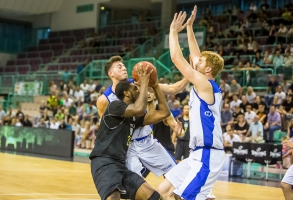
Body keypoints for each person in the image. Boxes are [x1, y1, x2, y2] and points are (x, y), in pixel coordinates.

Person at [158, 8, 225, 200]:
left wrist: (173, 32)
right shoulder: (202, 81)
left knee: (184, 197)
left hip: (208, 154)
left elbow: (176, 58)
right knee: (163, 191)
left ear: (208, 69)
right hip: (195, 154)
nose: (196, 62)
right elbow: (196, 56)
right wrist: (189, 28)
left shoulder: (205, 84)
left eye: (201, 62)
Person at [96, 55, 188, 178]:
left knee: (177, 177)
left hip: (147, 141)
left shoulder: (138, 85)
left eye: (124, 66)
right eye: (119, 67)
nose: (124, 68)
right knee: (135, 189)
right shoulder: (104, 100)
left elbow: (173, 89)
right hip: (126, 148)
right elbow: (105, 129)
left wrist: (192, 73)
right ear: (110, 73)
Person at [89, 66, 169, 200]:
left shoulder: (134, 117)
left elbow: (164, 113)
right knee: (113, 196)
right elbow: (139, 109)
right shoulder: (114, 106)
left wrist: (155, 86)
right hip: (104, 161)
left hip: (121, 164)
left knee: (154, 196)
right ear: (126, 93)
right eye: (135, 89)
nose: (139, 91)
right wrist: (143, 84)